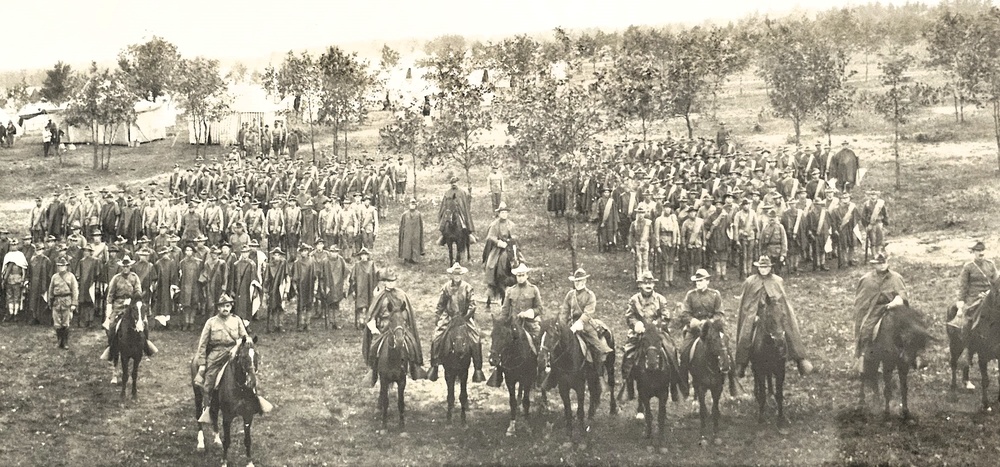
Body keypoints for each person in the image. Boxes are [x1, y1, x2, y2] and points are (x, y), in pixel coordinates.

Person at [194, 294, 271, 424]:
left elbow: (245, 337)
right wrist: (202, 364)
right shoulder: (211, 322)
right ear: (218, 308)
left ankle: (256, 400)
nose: (225, 308)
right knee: (209, 381)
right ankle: (208, 408)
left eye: (228, 306)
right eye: (222, 306)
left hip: (234, 351)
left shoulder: (236, 320)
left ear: (231, 307)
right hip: (217, 354)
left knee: (249, 373)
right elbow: (202, 345)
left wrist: (243, 343)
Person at [735, 256, 812, 377]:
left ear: (770, 268)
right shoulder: (750, 281)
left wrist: (778, 312)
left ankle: (800, 359)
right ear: (758, 268)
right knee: (746, 332)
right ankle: (742, 363)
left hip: (775, 312)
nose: (763, 270)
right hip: (756, 314)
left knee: (788, 327)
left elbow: (783, 302)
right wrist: (753, 314)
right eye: (761, 267)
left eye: (766, 267)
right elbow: (747, 303)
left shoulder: (777, 281)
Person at [620, 270, 680, 404]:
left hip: (657, 333)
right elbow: (629, 316)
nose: (648, 285)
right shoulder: (634, 299)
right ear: (640, 285)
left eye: (650, 283)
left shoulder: (660, 299)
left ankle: (674, 385)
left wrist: (658, 324)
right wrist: (636, 324)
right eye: (645, 283)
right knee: (628, 356)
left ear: (653, 285)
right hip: (639, 333)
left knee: (672, 352)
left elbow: (666, 315)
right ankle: (628, 387)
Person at [362, 269, 426, 385]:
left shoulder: (401, 295)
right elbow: (372, 315)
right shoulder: (380, 297)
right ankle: (373, 370)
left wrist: (402, 321)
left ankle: (414, 367)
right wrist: (374, 329)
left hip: (399, 325)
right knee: (374, 347)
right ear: (384, 282)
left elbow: (407, 312)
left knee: (411, 343)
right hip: (384, 327)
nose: (391, 283)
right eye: (388, 281)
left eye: (393, 281)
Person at [486, 263, 543, 388]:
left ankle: (540, 375)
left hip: (530, 324)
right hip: (514, 324)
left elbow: (539, 308)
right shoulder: (510, 291)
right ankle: (499, 372)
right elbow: (505, 311)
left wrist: (530, 312)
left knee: (540, 346)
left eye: (522, 275)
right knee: (502, 344)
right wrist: (499, 323)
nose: (520, 277)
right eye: (518, 275)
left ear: (527, 275)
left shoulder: (533, 289)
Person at [428, 262, 486, 383]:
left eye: (459, 274)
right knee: (436, 338)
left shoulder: (468, 287)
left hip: (464, 317)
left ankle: (478, 369)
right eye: (455, 274)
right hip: (449, 317)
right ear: (451, 275)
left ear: (462, 275)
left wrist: (466, 317)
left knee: (475, 339)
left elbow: (472, 305)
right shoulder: (446, 287)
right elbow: (441, 305)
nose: (457, 276)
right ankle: (434, 365)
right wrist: (437, 317)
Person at [676, 269, 733, 390]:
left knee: (725, 349)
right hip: (695, 329)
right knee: (684, 352)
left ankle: (732, 382)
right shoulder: (690, 295)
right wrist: (694, 321)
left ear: (707, 281)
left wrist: (709, 322)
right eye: (697, 281)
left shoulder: (715, 295)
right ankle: (684, 385)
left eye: (701, 281)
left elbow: (720, 314)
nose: (698, 283)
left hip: (712, 329)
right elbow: (685, 313)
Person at [852, 252, 909, 373]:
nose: (882, 265)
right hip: (874, 310)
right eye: (879, 263)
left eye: (884, 262)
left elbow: (903, 295)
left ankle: (910, 356)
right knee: (866, 330)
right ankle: (865, 358)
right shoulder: (867, 279)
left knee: (910, 329)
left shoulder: (896, 278)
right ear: (874, 265)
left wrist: (897, 301)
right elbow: (861, 300)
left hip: (894, 309)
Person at [559, 268, 613, 370]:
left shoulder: (590, 295)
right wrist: (563, 325)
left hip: (586, 324)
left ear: (584, 281)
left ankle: (597, 371)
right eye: (575, 281)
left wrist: (580, 323)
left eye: (579, 281)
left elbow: (588, 312)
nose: (577, 283)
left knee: (597, 345)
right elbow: (564, 311)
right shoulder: (570, 295)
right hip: (572, 323)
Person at [948, 241, 999, 330]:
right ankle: (967, 335)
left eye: (983, 250)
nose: (981, 253)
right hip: (974, 297)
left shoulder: (990, 264)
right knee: (968, 318)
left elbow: (997, 282)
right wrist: (961, 301)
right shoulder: (968, 267)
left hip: (989, 295)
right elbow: (963, 286)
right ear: (973, 252)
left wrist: (989, 292)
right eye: (978, 251)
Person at [48, 256, 79, 349]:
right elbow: (51, 289)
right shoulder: (54, 277)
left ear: (66, 266)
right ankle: (59, 341)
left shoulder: (71, 276)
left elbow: (75, 290)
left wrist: (74, 303)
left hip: (67, 301)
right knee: (57, 323)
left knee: (66, 323)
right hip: (56, 302)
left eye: (63, 266)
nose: (61, 267)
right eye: (59, 266)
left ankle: (65, 342)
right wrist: (50, 301)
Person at [349, 247, 379, 329]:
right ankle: (361, 321)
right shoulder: (357, 265)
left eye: (365, 255)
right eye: (362, 255)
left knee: (370, 305)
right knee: (361, 306)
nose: (364, 257)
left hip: (369, 288)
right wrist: (353, 290)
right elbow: (353, 278)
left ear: (368, 256)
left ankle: (368, 321)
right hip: (360, 289)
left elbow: (376, 275)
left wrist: (376, 287)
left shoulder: (371, 265)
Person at [2, 238, 28, 321]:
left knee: (17, 297)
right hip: (9, 278)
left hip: (17, 278)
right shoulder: (8, 255)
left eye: (15, 245)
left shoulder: (20, 255)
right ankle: (10, 313)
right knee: (9, 296)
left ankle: (16, 314)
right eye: (12, 245)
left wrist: (23, 279)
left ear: (17, 245)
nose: (14, 247)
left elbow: (24, 268)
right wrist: (3, 278)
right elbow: (5, 268)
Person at [398, 198, 424, 264]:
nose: (412, 206)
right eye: (411, 204)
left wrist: (419, 232)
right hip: (407, 232)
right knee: (406, 244)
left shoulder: (418, 214)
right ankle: (406, 258)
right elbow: (402, 226)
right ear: (409, 205)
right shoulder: (405, 214)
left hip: (415, 232)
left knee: (415, 245)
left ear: (416, 205)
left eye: (414, 204)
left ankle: (414, 259)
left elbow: (421, 225)